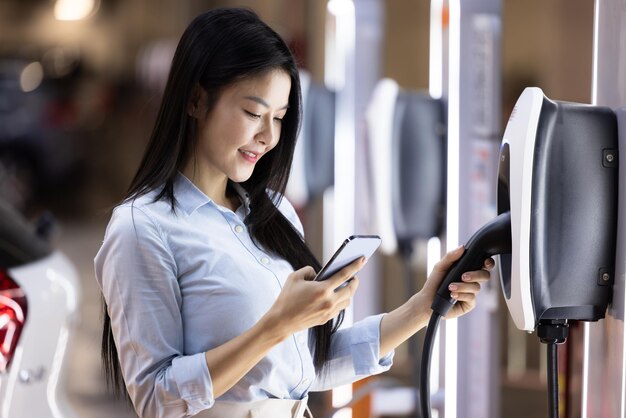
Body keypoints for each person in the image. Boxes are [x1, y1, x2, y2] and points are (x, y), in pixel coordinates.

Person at [94, 7, 494, 418]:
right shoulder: (142, 228)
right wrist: (276, 325)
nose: (267, 137)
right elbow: (156, 399)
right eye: (253, 113)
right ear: (196, 99)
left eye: (280, 118)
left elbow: (305, 366)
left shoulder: (275, 213)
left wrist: (421, 308)